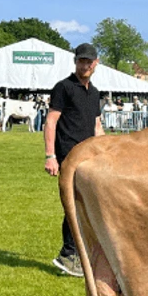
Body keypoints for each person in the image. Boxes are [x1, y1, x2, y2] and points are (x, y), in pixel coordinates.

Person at [44, 43, 105, 276]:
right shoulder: (64, 88)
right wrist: (51, 156)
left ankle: (79, 254)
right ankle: (69, 255)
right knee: (76, 204)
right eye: (82, 61)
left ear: (96, 63)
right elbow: (51, 121)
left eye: (90, 62)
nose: (86, 65)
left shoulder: (95, 92)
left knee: (88, 205)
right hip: (69, 155)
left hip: (90, 156)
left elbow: (97, 126)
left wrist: (107, 151)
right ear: (75, 62)